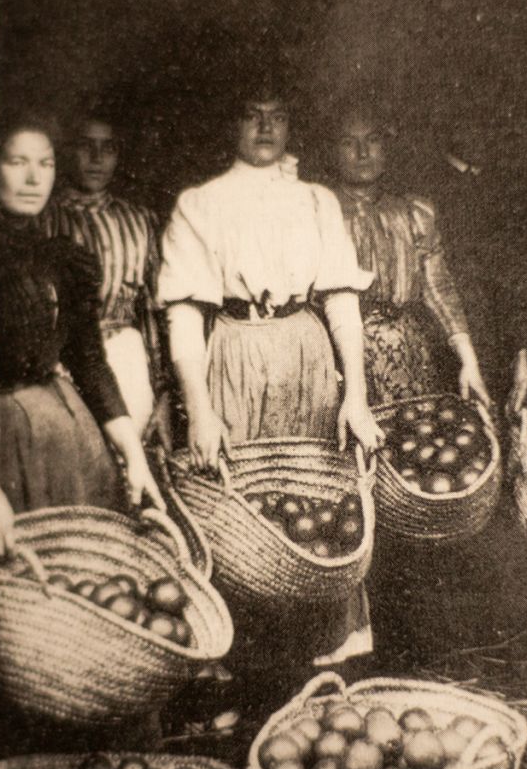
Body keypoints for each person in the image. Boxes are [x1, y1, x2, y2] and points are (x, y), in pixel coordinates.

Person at [157, 86, 383, 673]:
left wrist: (355, 396)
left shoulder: (316, 201)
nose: (265, 128)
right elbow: (184, 313)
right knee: (241, 501)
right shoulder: (199, 204)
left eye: (277, 117)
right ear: (232, 125)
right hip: (231, 348)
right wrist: (200, 409)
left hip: (305, 350)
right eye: (252, 115)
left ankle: (324, 660)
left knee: (316, 498)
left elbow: (340, 300)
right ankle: (246, 666)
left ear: (290, 127)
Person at [0, 115, 164, 559]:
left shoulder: (63, 258)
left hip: (65, 428)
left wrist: (133, 453)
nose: (33, 178)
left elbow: (88, 359)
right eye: (17, 162)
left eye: (45, 164)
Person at [332, 103, 489, 407]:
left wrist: (469, 361)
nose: (363, 152)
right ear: (332, 152)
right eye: (349, 143)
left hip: (409, 354)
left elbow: (438, 289)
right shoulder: (319, 212)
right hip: (341, 359)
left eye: (373, 140)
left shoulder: (413, 212)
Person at [42, 110, 165, 438]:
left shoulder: (140, 221)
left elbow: (153, 313)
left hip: (126, 358)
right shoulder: (44, 218)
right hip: (62, 364)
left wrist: (163, 393)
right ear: (67, 149)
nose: (96, 158)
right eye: (86, 146)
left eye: (108, 148)